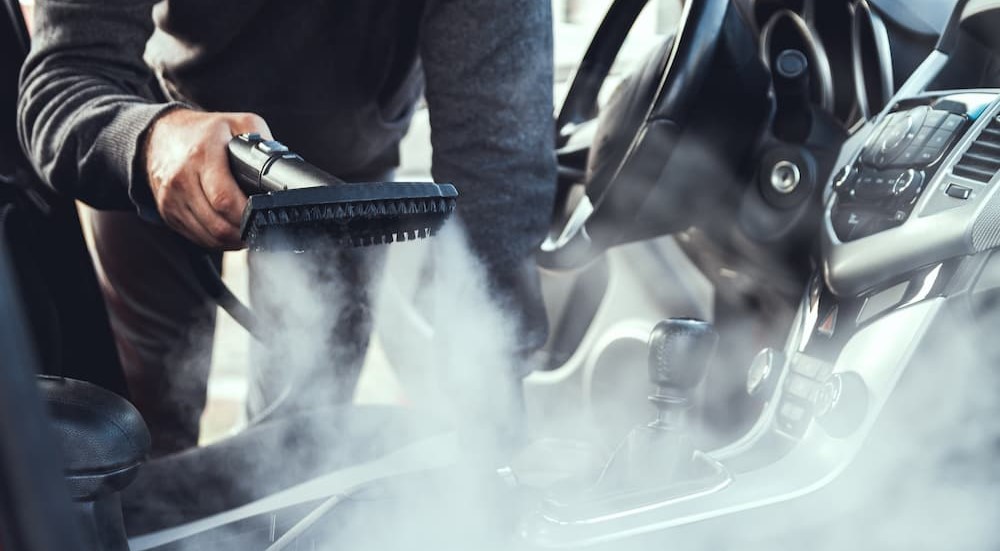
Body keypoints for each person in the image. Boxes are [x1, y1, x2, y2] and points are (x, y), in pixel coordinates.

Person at [18, 0, 556, 457]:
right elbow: (62, 82)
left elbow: (495, 150)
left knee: (305, 444)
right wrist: (150, 144)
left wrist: (490, 382)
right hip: (163, 147)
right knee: (140, 434)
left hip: (345, 180)